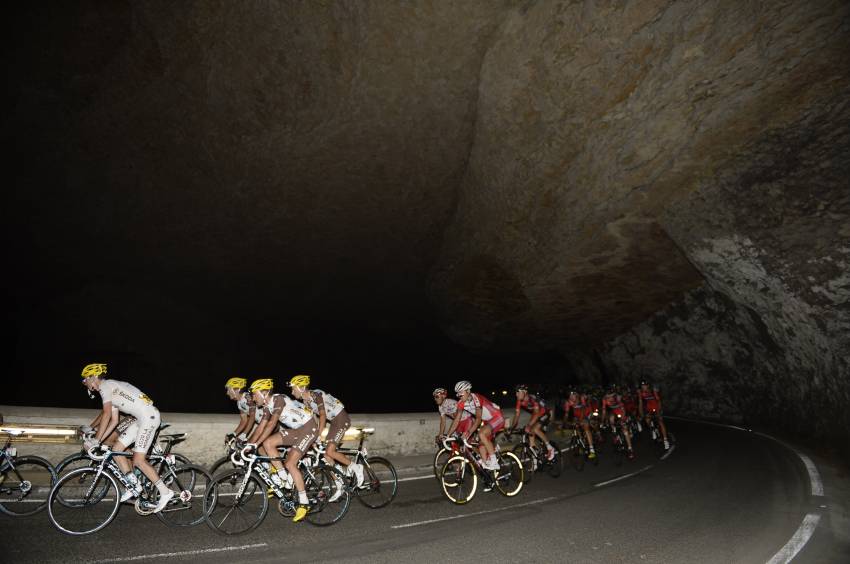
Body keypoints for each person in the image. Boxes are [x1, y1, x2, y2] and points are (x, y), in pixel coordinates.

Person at [80, 363, 174, 512]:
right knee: (116, 449)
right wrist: (97, 440)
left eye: (85, 379)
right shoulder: (110, 388)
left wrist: (95, 440)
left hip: (148, 418)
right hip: (140, 419)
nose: (84, 383)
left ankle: (165, 492)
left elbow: (106, 414)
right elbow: (114, 420)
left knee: (138, 460)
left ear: (94, 377)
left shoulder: (105, 386)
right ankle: (134, 484)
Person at [247, 378, 318, 523]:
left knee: (290, 463)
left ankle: (304, 502)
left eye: (254, 394)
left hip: (309, 428)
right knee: (268, 443)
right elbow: (261, 426)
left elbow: (272, 424)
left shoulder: (278, 399)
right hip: (298, 430)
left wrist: (254, 445)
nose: (253, 398)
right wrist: (249, 444)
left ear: (264, 393)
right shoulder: (267, 405)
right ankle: (283, 477)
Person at [288, 375, 364, 488]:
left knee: (330, 451)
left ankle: (355, 467)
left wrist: (318, 434)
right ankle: (340, 484)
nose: (292, 393)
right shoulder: (306, 401)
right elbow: (311, 419)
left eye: (293, 389)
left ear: (302, 388)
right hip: (334, 423)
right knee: (326, 455)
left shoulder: (315, 394)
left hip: (341, 419)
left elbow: (322, 415)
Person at [445, 381, 505, 471]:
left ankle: (494, 462)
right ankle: (487, 469)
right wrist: (448, 435)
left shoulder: (476, 398)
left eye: (461, 392)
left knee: (481, 434)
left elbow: (478, 419)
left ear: (468, 391)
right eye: (457, 393)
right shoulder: (461, 403)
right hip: (487, 421)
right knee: (479, 443)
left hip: (497, 417)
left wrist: (469, 432)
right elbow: (456, 420)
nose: (459, 395)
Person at [509, 384, 555, 461]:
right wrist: (512, 427)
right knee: (530, 433)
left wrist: (529, 425)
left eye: (518, 392)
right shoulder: (519, 401)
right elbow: (516, 415)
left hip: (545, 413)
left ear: (525, 392)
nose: (516, 394)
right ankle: (535, 460)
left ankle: (550, 447)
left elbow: (537, 413)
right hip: (536, 414)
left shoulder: (533, 398)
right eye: (516, 392)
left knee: (535, 429)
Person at [601, 385, 635, 459]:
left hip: (621, 410)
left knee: (625, 430)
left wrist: (623, 420)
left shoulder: (618, 397)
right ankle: (615, 433)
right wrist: (602, 421)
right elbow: (604, 411)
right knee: (611, 418)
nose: (609, 398)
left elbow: (623, 410)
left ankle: (630, 449)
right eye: (608, 397)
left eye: (611, 396)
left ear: (614, 395)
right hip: (613, 412)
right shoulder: (604, 399)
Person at [563, 390, 596, 459]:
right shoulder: (568, 402)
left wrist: (580, 421)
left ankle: (592, 449)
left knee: (586, 427)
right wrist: (564, 422)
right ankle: (581, 442)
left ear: (577, 396)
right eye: (570, 396)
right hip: (577, 415)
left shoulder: (582, 399)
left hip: (587, 413)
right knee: (575, 427)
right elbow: (566, 414)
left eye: (573, 396)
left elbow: (583, 412)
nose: (571, 398)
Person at [638, 380, 670, 450]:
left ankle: (665, 440)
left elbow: (658, 401)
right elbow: (640, 403)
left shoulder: (653, 391)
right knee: (647, 420)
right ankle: (653, 430)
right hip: (649, 407)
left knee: (660, 422)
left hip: (656, 407)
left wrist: (659, 411)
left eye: (645, 386)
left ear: (648, 386)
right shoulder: (641, 392)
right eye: (642, 386)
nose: (643, 387)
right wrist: (641, 414)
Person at [224, 377, 256, 443]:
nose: (227, 393)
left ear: (237, 390)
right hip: (262, 423)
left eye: (228, 390)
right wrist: (233, 434)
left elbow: (252, 417)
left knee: (249, 445)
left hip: (267, 424)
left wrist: (244, 434)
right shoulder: (239, 402)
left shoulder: (248, 397)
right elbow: (244, 421)